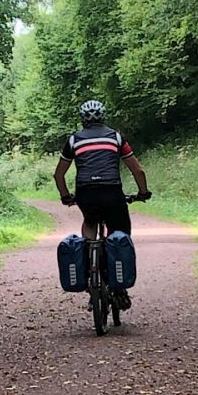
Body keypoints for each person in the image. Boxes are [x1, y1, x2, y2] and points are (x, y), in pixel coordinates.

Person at [53, 99, 151, 307]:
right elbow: (138, 170)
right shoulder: (115, 137)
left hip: (86, 193)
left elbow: (59, 174)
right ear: (103, 117)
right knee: (119, 231)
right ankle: (118, 285)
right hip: (112, 191)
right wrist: (143, 193)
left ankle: (90, 274)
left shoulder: (73, 140)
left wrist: (65, 196)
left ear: (83, 119)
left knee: (90, 222)